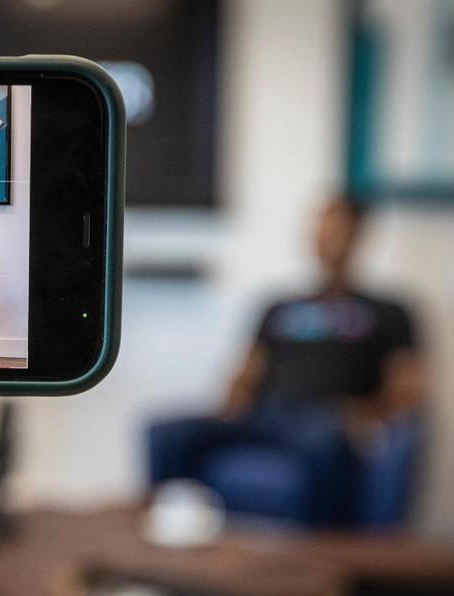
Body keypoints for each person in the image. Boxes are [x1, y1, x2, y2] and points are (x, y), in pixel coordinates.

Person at [148, 194, 427, 525]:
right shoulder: (278, 306)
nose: (325, 234)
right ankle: (172, 538)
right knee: (165, 433)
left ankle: (323, 552)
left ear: (358, 233)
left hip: (326, 421)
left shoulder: (389, 311)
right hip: (264, 416)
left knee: (326, 438)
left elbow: (408, 389)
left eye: (336, 225)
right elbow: (243, 375)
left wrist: (365, 416)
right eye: (319, 224)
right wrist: (231, 407)